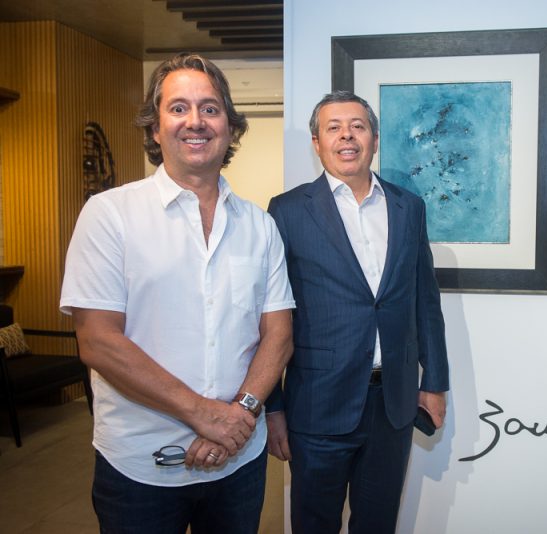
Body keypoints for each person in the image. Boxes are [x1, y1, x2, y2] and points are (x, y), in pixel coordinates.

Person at [59, 52, 295, 534]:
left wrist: (240, 416)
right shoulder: (109, 216)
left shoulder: (260, 225)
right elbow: (99, 341)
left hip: (239, 460)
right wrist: (206, 415)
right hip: (139, 468)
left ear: (230, 126)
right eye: (178, 107)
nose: (196, 121)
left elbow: (278, 335)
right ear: (154, 127)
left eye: (210, 108)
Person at [265, 90, 450, 533]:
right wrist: (272, 406)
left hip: (393, 404)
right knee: (314, 525)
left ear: (374, 138)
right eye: (333, 127)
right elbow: (269, 314)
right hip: (317, 405)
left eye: (357, 126)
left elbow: (426, 299)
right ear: (316, 142)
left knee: (378, 524)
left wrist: (436, 382)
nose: (346, 136)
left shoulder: (409, 208)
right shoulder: (286, 211)